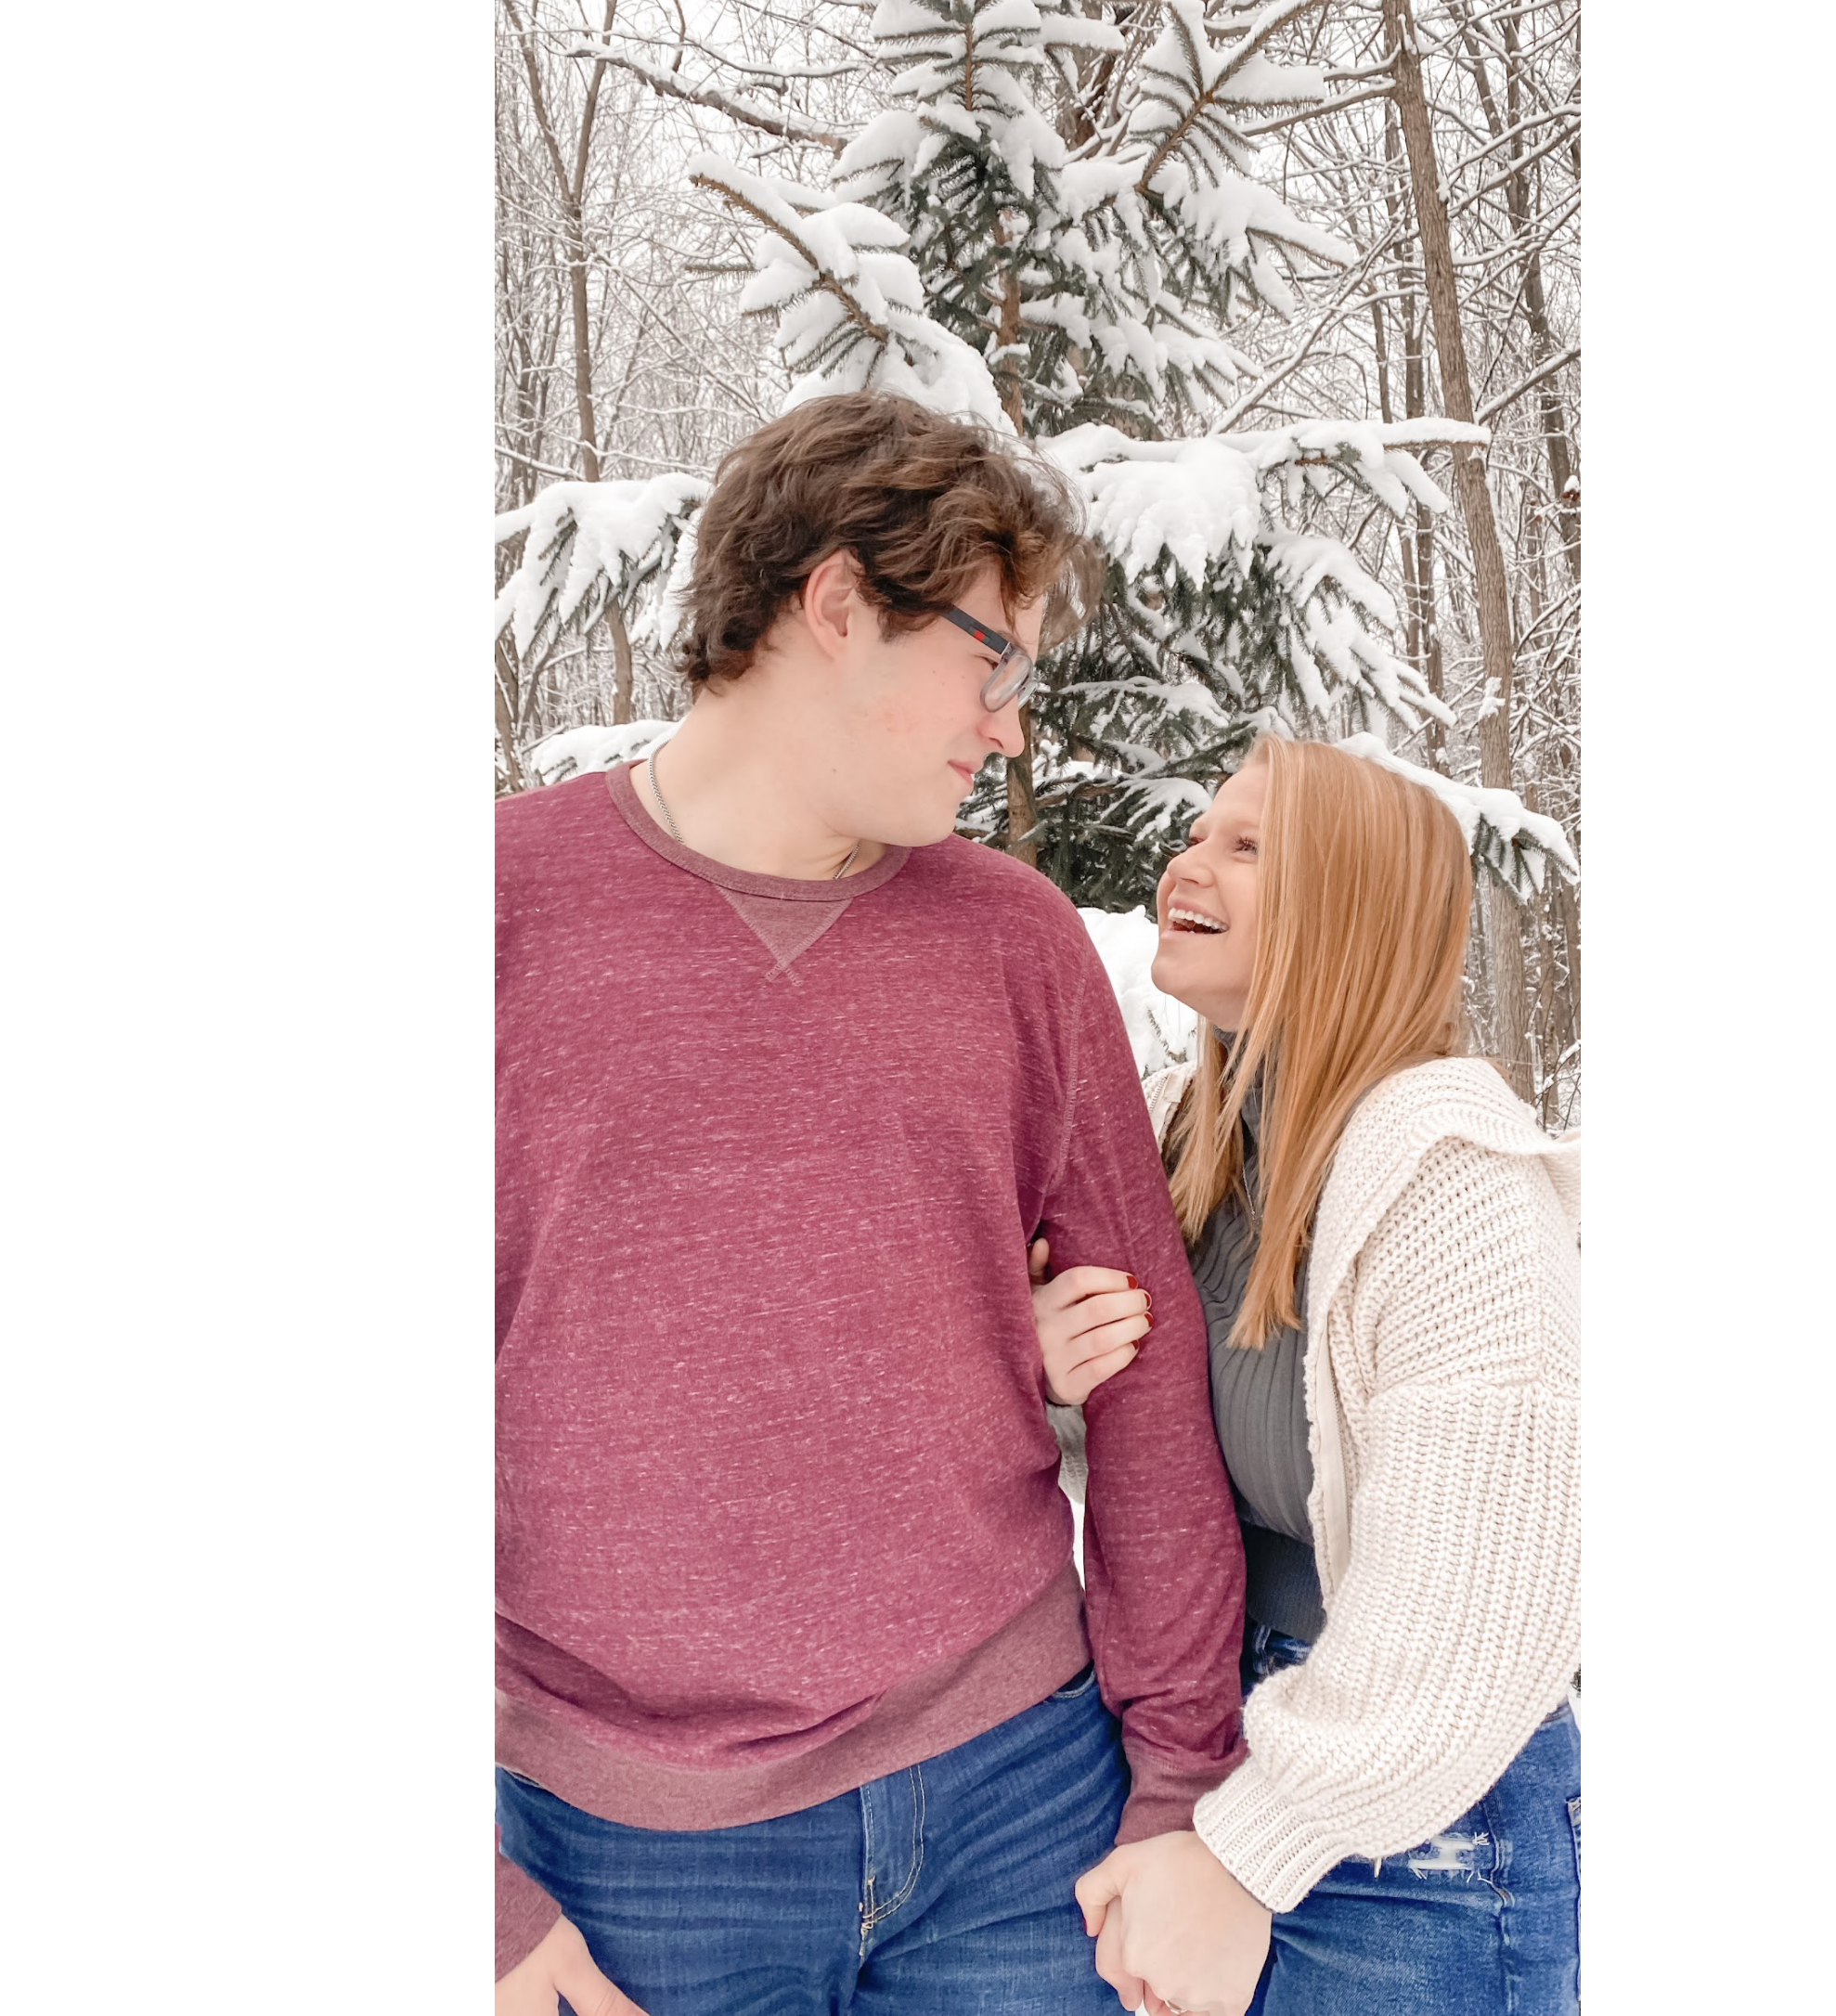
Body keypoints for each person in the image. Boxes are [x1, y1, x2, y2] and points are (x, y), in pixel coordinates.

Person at [493, 390, 1248, 2016]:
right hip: (628, 1856)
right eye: (995, 660)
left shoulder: (1015, 941)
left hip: (1021, 1808)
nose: (1013, 726)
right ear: (839, 605)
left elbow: (1151, 1367)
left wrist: (1184, 1788)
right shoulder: (496, 917)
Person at [1040, 739, 1581, 2016]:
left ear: (1347, 904)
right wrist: (1049, 1369)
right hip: (1206, 1746)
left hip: (1416, 1825)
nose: (1190, 859)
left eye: (1249, 845)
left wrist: (1248, 1846)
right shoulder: (1183, 1137)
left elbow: (1481, 1616)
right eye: (1200, 829)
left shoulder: (1455, 1184)